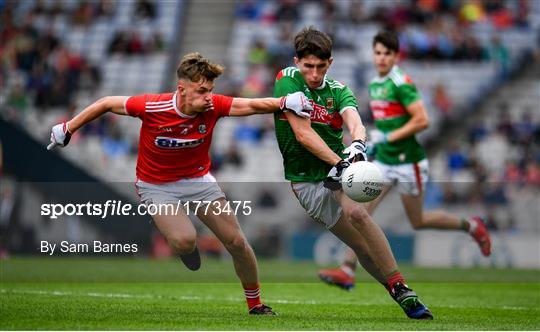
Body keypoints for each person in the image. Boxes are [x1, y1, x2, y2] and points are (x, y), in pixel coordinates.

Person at [47, 52, 312, 315]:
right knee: (185, 241)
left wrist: (284, 102)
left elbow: (251, 106)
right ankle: (187, 249)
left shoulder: (213, 106)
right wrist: (68, 128)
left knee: (237, 243)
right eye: (201, 90)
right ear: (181, 89)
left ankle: (255, 304)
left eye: (210, 90)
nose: (207, 96)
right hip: (156, 185)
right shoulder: (152, 106)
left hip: (198, 181)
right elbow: (105, 103)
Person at [273, 27, 432, 320]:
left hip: (337, 169)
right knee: (359, 246)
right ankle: (392, 287)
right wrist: (341, 162)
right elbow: (303, 135)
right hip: (306, 180)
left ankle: (402, 290)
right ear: (297, 62)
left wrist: (358, 142)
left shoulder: (338, 89)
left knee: (359, 215)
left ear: (330, 63)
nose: (315, 73)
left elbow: (355, 122)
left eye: (321, 66)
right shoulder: (287, 80)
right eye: (308, 66)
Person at [318, 30, 492, 291]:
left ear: (396, 56)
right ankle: (347, 270)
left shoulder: (401, 83)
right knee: (360, 213)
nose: (381, 58)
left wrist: (387, 136)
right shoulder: (376, 83)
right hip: (385, 163)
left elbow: (422, 120)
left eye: (387, 53)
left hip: (408, 162)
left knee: (418, 220)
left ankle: (471, 225)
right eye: (377, 53)